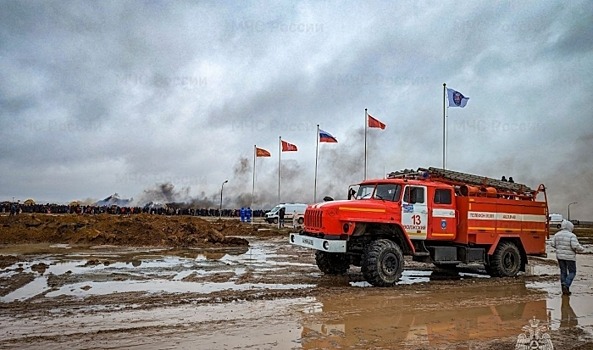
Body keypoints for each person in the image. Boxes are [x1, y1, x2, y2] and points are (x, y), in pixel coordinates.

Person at [551, 220, 585, 295]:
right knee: (572, 272)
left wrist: (559, 248)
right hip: (570, 257)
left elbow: (552, 244)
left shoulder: (557, 234)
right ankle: (566, 285)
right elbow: (575, 246)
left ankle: (564, 289)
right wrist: (582, 249)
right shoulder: (572, 235)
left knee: (563, 272)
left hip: (560, 257)